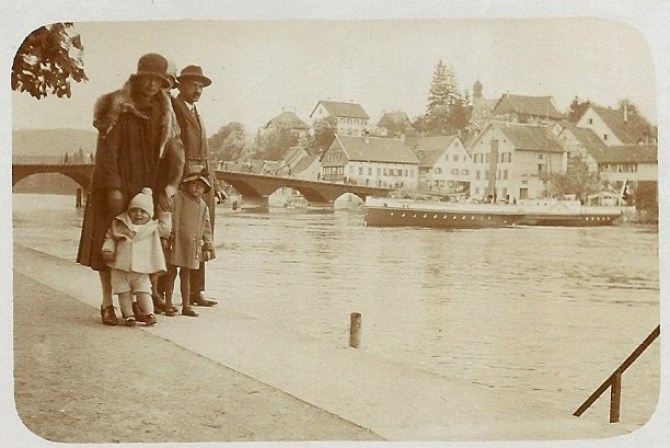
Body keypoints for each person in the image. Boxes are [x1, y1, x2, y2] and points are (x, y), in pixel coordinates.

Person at [76, 52, 184, 326]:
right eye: (148, 78)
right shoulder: (117, 105)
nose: (152, 85)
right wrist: (113, 188)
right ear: (138, 78)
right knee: (108, 244)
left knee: (139, 246)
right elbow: (108, 152)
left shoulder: (165, 113)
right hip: (115, 183)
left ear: (163, 84)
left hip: (145, 186)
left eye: (158, 81)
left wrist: (167, 186)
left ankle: (135, 302)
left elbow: (171, 152)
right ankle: (107, 303)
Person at [171, 65, 218, 307]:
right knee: (177, 236)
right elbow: (173, 147)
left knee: (200, 236)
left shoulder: (196, 113)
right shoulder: (174, 109)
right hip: (182, 183)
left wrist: (215, 184)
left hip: (201, 185)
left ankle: (196, 292)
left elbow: (206, 154)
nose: (198, 89)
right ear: (180, 85)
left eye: (201, 86)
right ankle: (164, 294)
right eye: (193, 85)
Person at [101, 188, 170, 326]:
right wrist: (108, 249)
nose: (138, 214)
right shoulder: (120, 224)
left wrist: (164, 211)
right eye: (134, 210)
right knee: (123, 293)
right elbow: (110, 237)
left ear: (150, 214)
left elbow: (166, 228)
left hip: (141, 268)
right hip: (120, 266)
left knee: (144, 291)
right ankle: (129, 315)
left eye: (143, 212)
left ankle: (150, 313)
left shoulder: (152, 228)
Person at [163, 167, 216, 317]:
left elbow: (206, 227)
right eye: (194, 184)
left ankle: (186, 305)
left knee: (186, 275)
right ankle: (168, 304)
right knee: (171, 273)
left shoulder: (203, 206)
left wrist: (207, 245)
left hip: (192, 245)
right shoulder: (177, 199)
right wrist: (166, 236)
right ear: (185, 184)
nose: (197, 188)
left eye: (201, 186)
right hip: (176, 241)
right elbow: (168, 218)